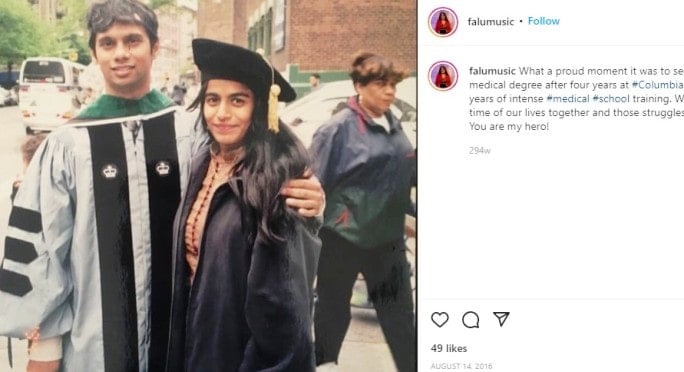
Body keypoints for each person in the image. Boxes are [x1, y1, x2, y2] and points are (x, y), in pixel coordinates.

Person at [0, 1, 323, 371]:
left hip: (183, 345)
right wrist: (46, 349)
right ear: (94, 53)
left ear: (155, 48)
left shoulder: (192, 131)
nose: (121, 53)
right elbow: (43, 250)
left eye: (132, 40)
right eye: (108, 43)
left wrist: (314, 198)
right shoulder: (66, 145)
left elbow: (263, 165)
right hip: (94, 347)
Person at [165, 38, 320, 372]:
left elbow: (285, 318)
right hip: (199, 344)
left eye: (238, 100)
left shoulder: (280, 183)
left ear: (260, 107)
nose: (222, 113)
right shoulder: (203, 162)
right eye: (213, 100)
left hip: (240, 357)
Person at [311, 52, 416, 372]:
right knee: (332, 311)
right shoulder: (336, 129)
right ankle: (323, 365)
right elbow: (315, 186)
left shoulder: (393, 124)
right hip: (343, 238)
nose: (390, 91)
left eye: (393, 84)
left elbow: (400, 174)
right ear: (359, 86)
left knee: (399, 317)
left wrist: (411, 215)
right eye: (381, 84)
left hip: (387, 240)